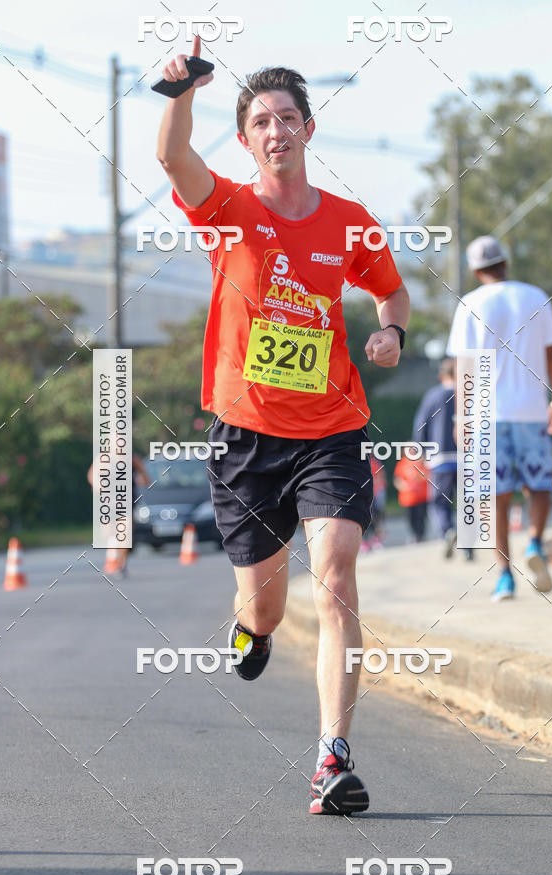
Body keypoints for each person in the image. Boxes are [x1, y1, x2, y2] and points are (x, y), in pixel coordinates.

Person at [157, 37, 410, 815]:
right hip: (246, 434)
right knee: (263, 605)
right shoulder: (228, 209)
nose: (277, 130)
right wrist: (180, 92)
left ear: (308, 129)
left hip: (331, 427)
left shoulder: (348, 222)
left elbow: (390, 293)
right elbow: (172, 161)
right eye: (262, 120)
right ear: (247, 139)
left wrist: (390, 332)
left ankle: (332, 758)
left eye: (289, 117)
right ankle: (254, 632)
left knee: (335, 576)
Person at [446, 235, 552, 602]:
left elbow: (462, 366)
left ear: (475, 269)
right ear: (505, 262)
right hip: (531, 410)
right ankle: (535, 543)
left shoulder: (470, 303)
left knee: (496, 497)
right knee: (539, 484)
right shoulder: (535, 296)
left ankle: (504, 576)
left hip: (486, 414)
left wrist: (460, 418)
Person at [413, 358, 472, 560]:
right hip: (467, 458)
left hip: (440, 458)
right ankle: (468, 547)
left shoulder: (433, 396)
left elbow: (421, 424)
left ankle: (447, 531)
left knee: (439, 502)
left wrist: (420, 450)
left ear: (441, 375)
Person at [87, 452, 150, 576]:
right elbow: (92, 476)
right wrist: (100, 487)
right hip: (108, 501)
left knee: (125, 532)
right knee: (109, 533)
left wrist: (142, 480)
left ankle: (120, 563)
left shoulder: (132, 458)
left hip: (127, 501)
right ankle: (112, 559)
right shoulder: (103, 458)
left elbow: (146, 478)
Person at [393, 451, 428, 542]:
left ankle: (420, 535)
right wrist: (403, 485)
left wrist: (418, 478)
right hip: (408, 498)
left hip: (421, 497)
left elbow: (428, 475)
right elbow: (397, 479)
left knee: (421, 517)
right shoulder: (402, 463)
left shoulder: (422, 461)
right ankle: (415, 535)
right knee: (411, 518)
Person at [360, 454, 387, 552]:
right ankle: (365, 542)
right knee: (363, 519)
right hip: (363, 496)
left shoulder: (374, 462)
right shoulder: (358, 462)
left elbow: (380, 477)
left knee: (376, 518)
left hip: (374, 495)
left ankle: (376, 540)